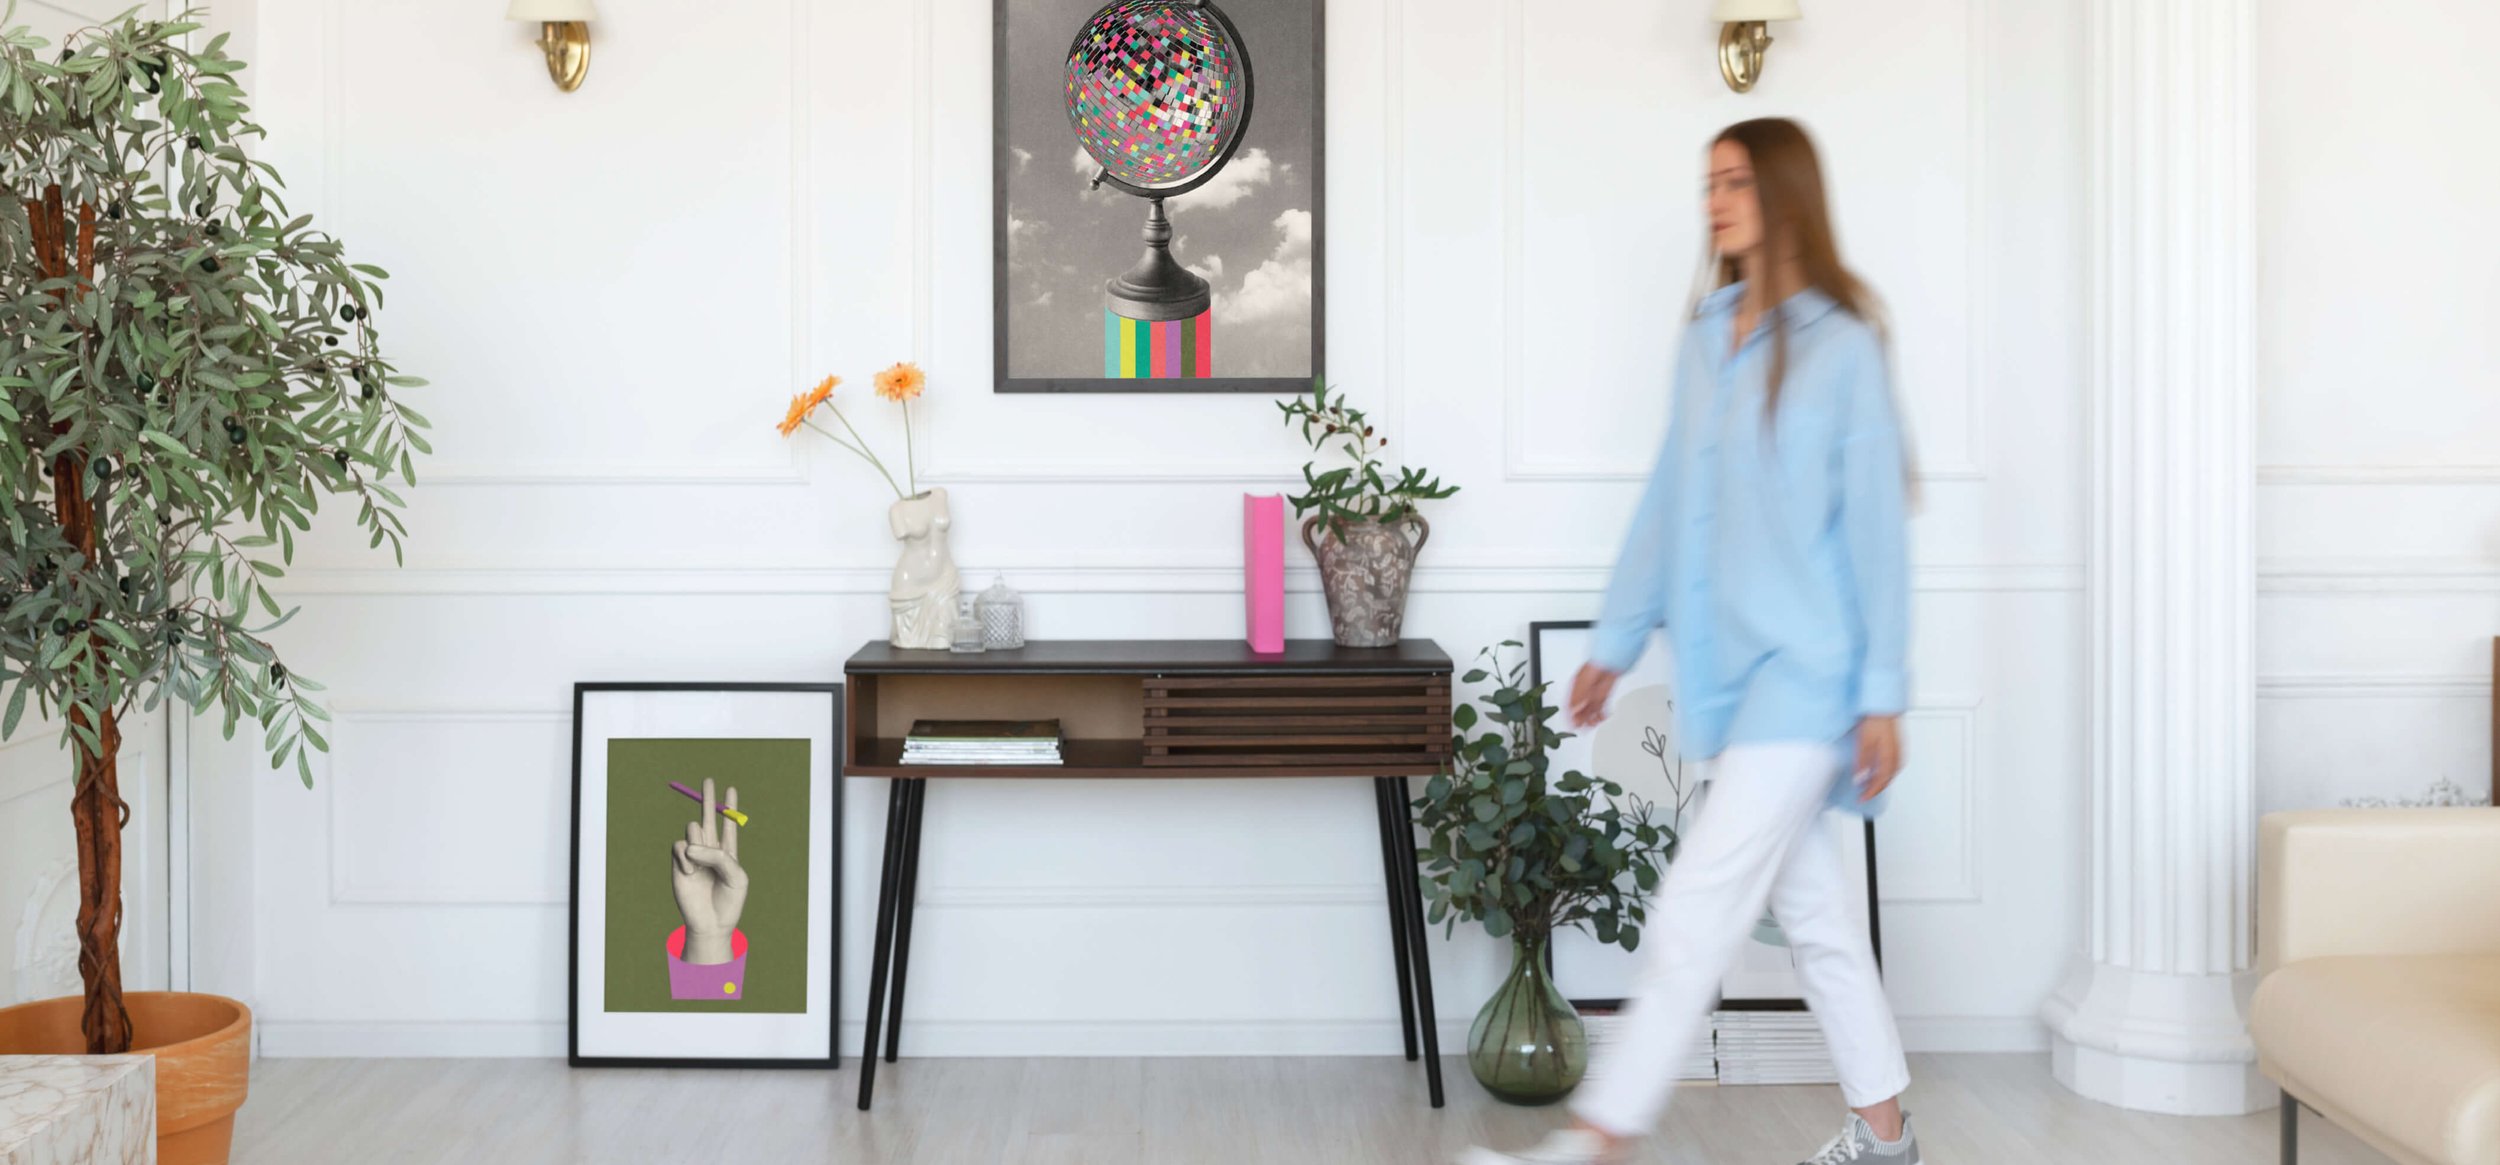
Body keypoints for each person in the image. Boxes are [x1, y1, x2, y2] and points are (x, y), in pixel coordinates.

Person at [1461, 118, 1920, 1165]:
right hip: (1729, 680)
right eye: (1708, 182)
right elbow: (1673, 498)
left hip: (1810, 680)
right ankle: (1885, 1138)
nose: (1715, 200)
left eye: (1737, 181)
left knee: (1694, 911)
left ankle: (1598, 1139)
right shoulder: (1705, 337)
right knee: (1814, 919)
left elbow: (1877, 535)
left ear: (1785, 194)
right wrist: (1615, 639)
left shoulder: (1842, 348)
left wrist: (1882, 692)